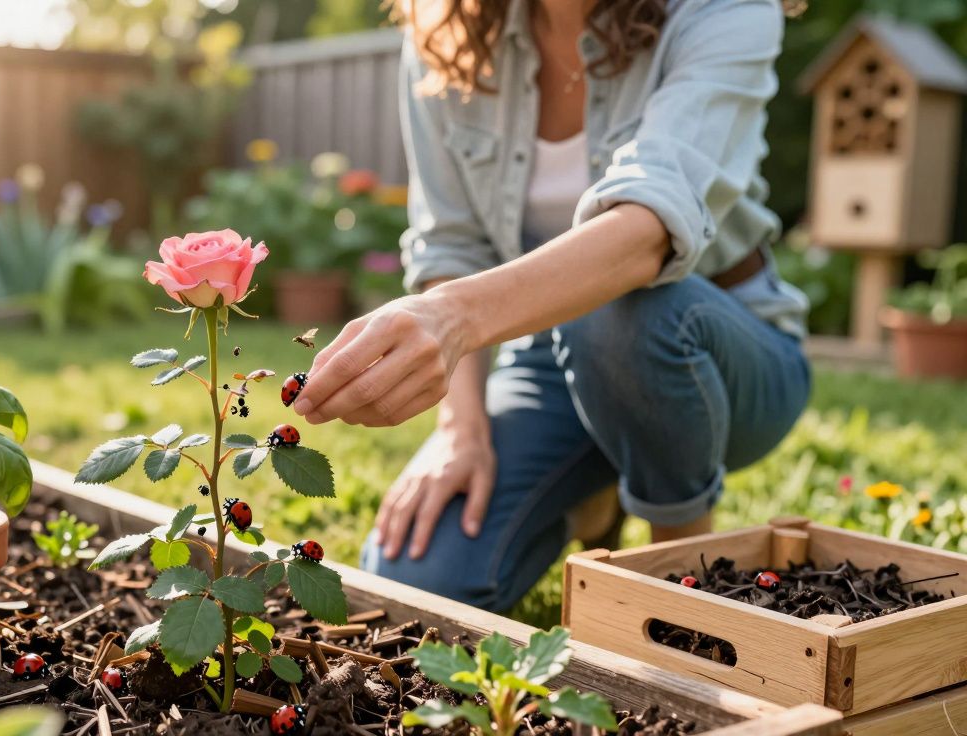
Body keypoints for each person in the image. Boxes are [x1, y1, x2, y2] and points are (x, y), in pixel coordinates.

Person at [289, 0, 811, 611]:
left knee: (623, 310)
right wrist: (462, 432)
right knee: (419, 586)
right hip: (553, 359)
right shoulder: (445, 31)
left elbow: (647, 230)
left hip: (719, 352)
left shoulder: (723, 11)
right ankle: (598, 488)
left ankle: (682, 571)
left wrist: (454, 317)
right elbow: (451, 244)